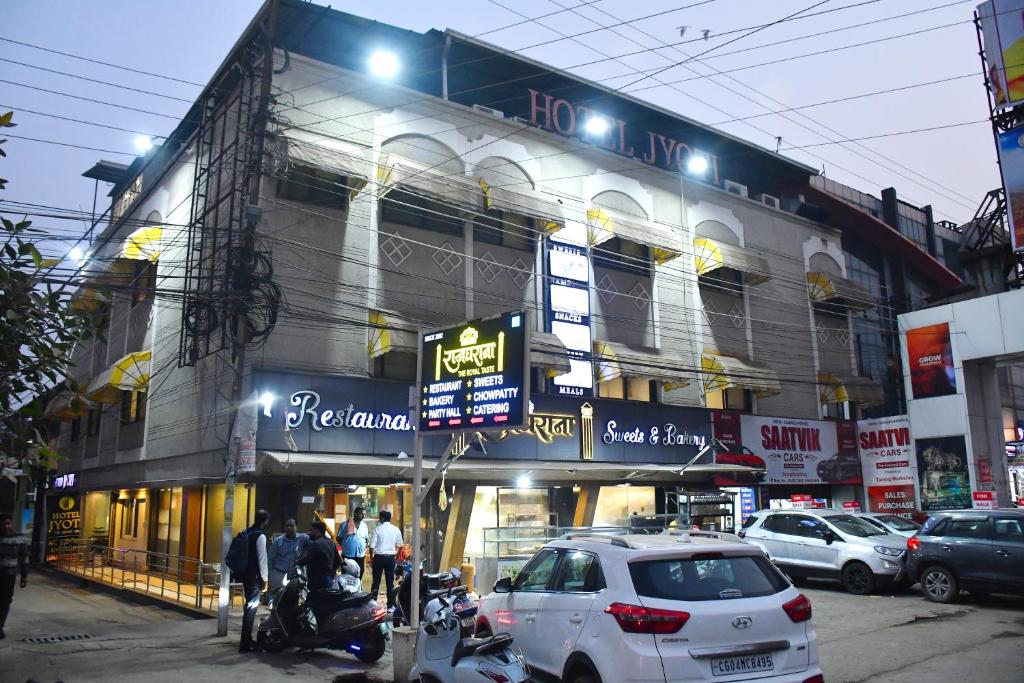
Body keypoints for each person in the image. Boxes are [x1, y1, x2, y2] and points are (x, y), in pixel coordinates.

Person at [239, 509, 270, 654]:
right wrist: (265, 579)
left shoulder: (247, 532)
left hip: (246, 575)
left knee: (248, 609)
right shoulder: (260, 536)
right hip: (255, 578)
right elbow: (262, 559)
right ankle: (246, 644)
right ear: (266, 521)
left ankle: (246, 640)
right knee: (251, 610)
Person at [0, 513, 29, 640]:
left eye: (8, 523)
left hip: (8, 576)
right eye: (3, 524)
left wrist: (24, 575)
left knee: (5, 602)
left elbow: (24, 557)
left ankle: (0, 627)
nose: (6, 526)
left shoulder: (19, 538)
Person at [369, 510, 403, 610]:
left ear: (382, 518)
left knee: (376, 581)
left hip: (379, 558)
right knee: (390, 582)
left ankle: (372, 604)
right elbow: (400, 545)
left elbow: (371, 546)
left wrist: (371, 559)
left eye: (380, 517)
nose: (379, 519)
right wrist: (396, 556)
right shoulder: (395, 529)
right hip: (391, 558)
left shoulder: (377, 529)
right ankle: (390, 605)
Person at [268, 519, 308, 592]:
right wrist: (270, 575)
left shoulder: (303, 538)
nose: (289, 527)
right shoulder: (278, 541)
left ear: (296, 527)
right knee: (277, 598)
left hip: (295, 575)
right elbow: (270, 559)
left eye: (291, 526)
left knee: (295, 598)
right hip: (279, 574)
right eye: (287, 526)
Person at [340, 507, 368, 578]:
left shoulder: (364, 526)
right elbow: (339, 538)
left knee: (360, 572)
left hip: (360, 555)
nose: (363, 516)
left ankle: (358, 587)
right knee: (346, 574)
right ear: (355, 513)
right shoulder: (344, 524)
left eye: (364, 514)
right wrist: (347, 545)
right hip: (348, 555)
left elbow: (366, 539)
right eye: (361, 514)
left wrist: (364, 546)